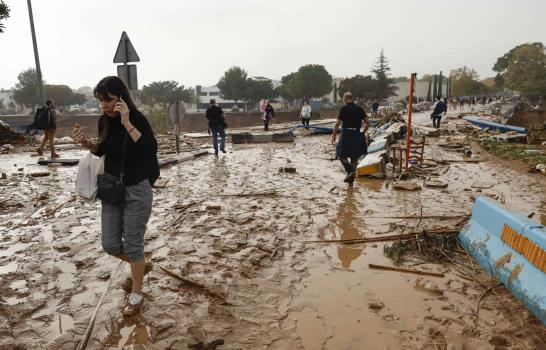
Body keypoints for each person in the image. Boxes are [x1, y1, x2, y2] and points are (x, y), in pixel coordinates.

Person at [72, 76, 159, 317]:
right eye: (100, 100)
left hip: (137, 189)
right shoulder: (104, 121)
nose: (104, 106)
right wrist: (86, 143)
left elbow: (149, 150)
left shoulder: (137, 118)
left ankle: (136, 294)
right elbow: (101, 149)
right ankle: (140, 264)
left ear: (121, 98)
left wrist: (127, 122)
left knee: (133, 244)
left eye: (108, 100)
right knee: (110, 245)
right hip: (112, 189)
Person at [332, 92, 370, 185]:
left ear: (344, 99)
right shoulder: (360, 109)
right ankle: (351, 183)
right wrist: (362, 133)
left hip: (346, 134)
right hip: (357, 133)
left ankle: (350, 171)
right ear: (352, 99)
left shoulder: (344, 108)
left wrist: (334, 135)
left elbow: (337, 123)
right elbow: (368, 123)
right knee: (354, 157)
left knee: (341, 155)